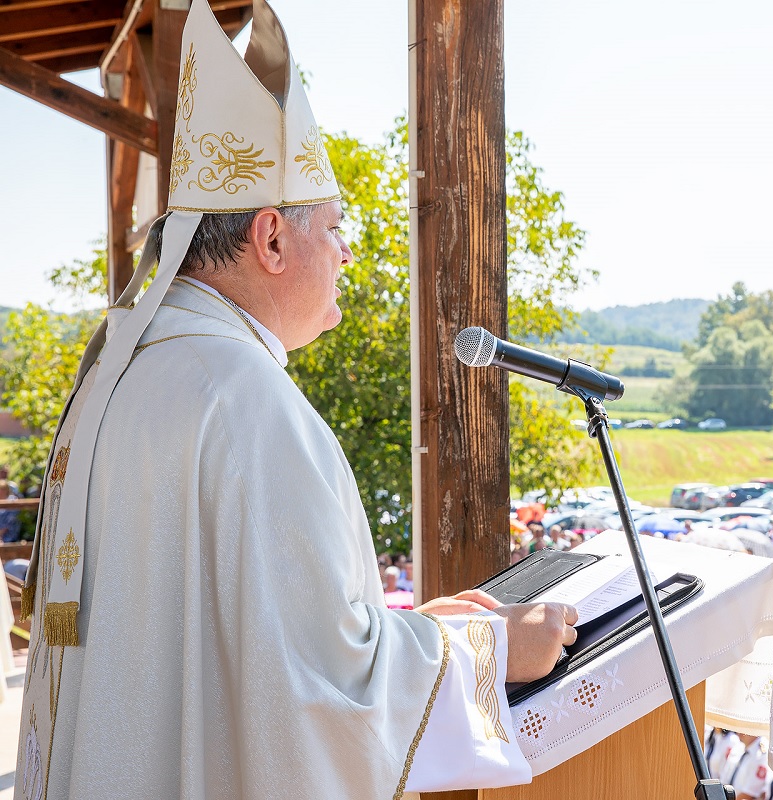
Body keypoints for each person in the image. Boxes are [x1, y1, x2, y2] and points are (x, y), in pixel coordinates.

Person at [14, 3, 578, 796]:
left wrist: (418, 632)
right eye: (336, 227)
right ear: (272, 238)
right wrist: (489, 649)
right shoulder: (247, 401)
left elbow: (244, 644)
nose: (348, 252)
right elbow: (320, 692)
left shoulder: (122, 373)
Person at [720, 732, 770, 800]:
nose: (739, 731)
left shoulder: (761, 754)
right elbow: (724, 780)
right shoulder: (738, 746)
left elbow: (750, 793)